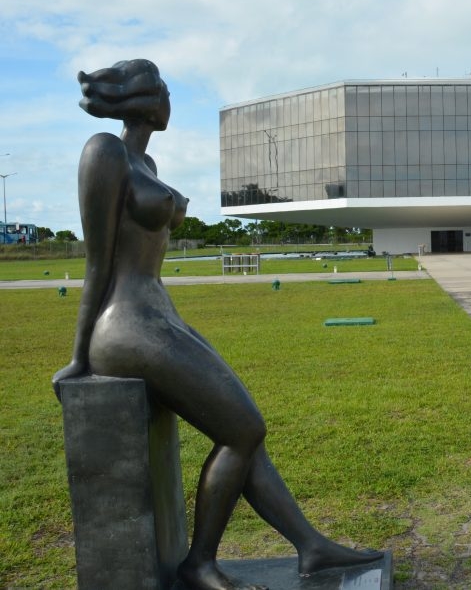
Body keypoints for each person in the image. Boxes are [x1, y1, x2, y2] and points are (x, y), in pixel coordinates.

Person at [51, 60, 381, 590]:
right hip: (125, 328)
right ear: (145, 99)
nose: (170, 102)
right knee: (244, 429)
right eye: (165, 91)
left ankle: (311, 547)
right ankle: (199, 564)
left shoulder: (147, 162)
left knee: (244, 431)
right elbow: (98, 262)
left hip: (159, 317)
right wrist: (78, 356)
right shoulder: (104, 152)